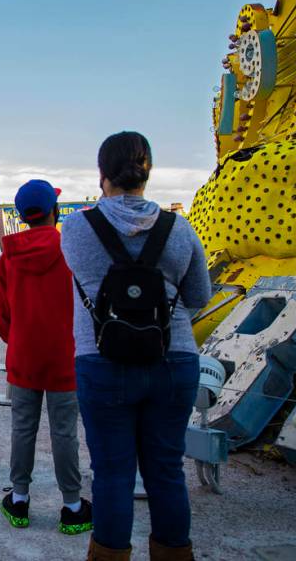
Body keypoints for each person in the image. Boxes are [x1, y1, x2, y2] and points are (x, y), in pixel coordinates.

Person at [61, 132, 210, 561]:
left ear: (102, 174)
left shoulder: (76, 227)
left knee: (111, 474)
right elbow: (199, 294)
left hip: (102, 359)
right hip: (173, 356)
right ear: (148, 173)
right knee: (166, 471)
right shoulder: (179, 229)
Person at [0, 179, 93, 534]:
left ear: (22, 215)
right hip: (66, 355)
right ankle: (72, 505)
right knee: (65, 431)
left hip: (23, 355)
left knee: (23, 428)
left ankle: (19, 500)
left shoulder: (8, 257)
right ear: (54, 210)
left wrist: (19, 338)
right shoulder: (72, 248)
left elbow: (1, 316)